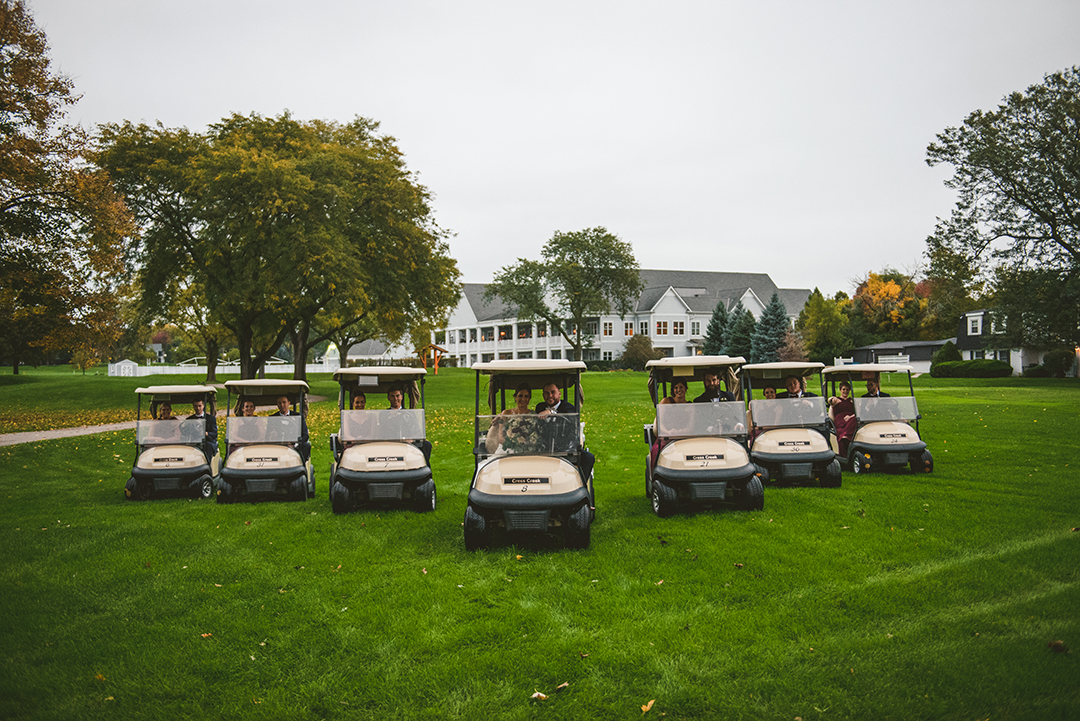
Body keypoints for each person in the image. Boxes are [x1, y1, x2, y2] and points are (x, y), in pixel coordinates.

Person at [485, 383, 534, 453]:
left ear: (529, 399)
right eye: (520, 396)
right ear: (515, 397)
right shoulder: (506, 413)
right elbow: (501, 437)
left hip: (526, 449)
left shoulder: (532, 414)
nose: (523, 399)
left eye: (526, 396)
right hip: (507, 448)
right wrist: (515, 445)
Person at [270, 395, 310, 461]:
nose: (282, 405)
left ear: (289, 403)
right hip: (278, 446)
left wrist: (294, 444)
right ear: (277, 405)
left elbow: (305, 435)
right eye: (279, 403)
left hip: (294, 446)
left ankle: (300, 467)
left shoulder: (298, 416)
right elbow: (268, 435)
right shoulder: (273, 418)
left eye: (284, 402)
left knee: (306, 446)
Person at [828, 381, 856, 456]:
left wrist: (851, 417)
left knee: (855, 419)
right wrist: (832, 399)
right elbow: (830, 401)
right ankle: (844, 436)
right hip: (840, 420)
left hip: (851, 420)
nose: (845, 391)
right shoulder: (836, 400)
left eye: (847, 390)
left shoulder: (851, 400)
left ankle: (845, 435)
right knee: (842, 429)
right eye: (843, 389)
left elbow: (857, 412)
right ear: (840, 390)